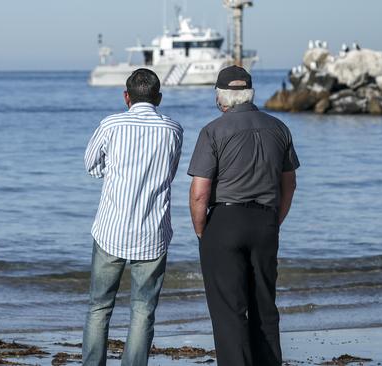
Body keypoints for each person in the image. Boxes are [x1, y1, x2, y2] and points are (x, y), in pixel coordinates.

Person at [187, 66, 299, 366]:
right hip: (265, 221)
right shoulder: (279, 128)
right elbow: (289, 184)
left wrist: (201, 231)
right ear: (250, 92)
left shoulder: (213, 130)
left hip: (224, 221)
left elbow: (200, 192)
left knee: (228, 310)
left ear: (220, 97)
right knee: (264, 304)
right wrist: (275, 220)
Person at [83, 68, 183, 366]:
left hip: (111, 229)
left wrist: (111, 173)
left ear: (126, 97)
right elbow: (170, 173)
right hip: (153, 231)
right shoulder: (173, 130)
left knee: (99, 307)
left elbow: (91, 165)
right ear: (159, 98)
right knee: (143, 310)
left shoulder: (111, 124)